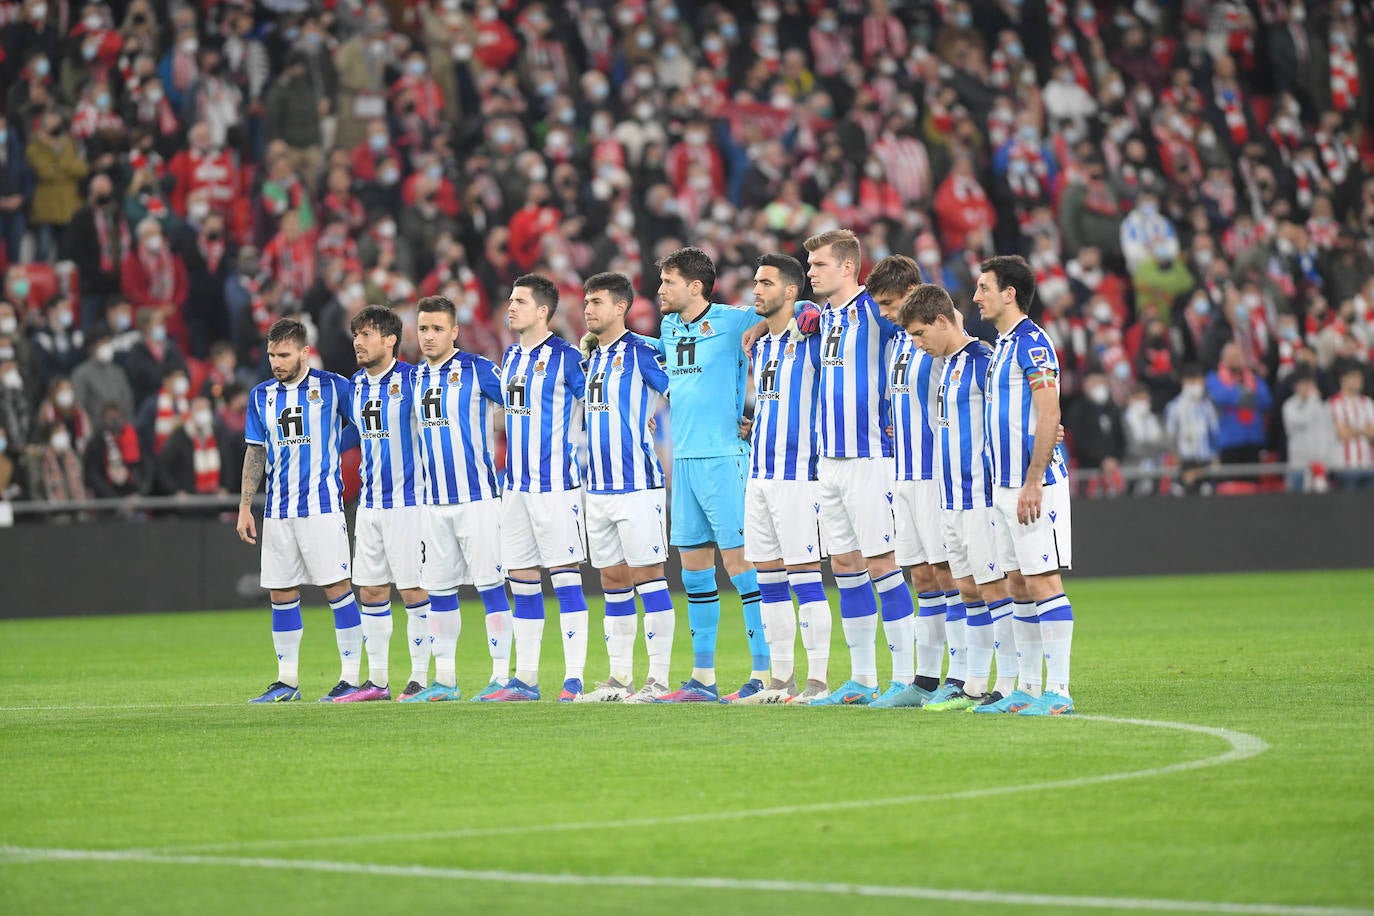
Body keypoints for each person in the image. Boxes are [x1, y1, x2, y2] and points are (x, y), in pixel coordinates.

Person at [641, 246, 764, 704]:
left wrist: (799, 313)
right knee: (693, 570)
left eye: (668, 282)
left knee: (741, 565)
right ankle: (703, 678)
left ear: (694, 286)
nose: (660, 291)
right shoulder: (670, 327)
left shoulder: (734, 321)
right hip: (686, 461)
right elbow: (656, 357)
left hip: (723, 457)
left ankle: (764, 675)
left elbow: (795, 308)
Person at [801, 229, 917, 706]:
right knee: (845, 567)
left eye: (819, 265)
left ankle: (908, 679)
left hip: (870, 457)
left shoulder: (877, 308)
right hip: (829, 460)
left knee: (882, 565)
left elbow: (925, 325)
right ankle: (863, 679)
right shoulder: (822, 317)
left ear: (848, 267)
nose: (811, 273)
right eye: (809, 267)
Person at [900, 284, 1021, 712]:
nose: (917, 344)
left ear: (942, 321)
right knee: (967, 587)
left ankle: (1007, 684)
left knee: (992, 587)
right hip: (949, 495)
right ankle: (972, 685)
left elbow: (1019, 407)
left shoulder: (983, 361)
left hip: (980, 495)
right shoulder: (946, 365)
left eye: (919, 334)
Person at [236, 318, 364, 704]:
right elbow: (255, 451)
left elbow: (365, 423)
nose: (276, 361)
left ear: (304, 352)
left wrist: (333, 445)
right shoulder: (261, 396)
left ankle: (351, 678)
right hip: (277, 511)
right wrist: (245, 506)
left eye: (284, 354)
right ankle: (287, 680)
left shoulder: (332, 386)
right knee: (281, 592)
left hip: (322, 509)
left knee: (338, 589)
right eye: (272, 354)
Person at [978, 255, 1076, 716]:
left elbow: (1050, 412)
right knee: (1017, 582)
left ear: (1009, 293)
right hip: (1004, 485)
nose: (977, 297)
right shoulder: (1001, 344)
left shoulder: (1033, 345)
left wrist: (1034, 481)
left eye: (984, 288)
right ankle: (1028, 688)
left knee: (1042, 580)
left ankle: (1058, 692)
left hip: (1031, 485)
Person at [486, 274, 591, 703]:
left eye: (519, 301)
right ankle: (525, 680)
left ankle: (574, 678)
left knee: (565, 578)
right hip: (515, 488)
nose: (510, 307)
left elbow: (598, 400)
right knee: (522, 579)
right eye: (510, 300)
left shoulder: (567, 358)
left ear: (543, 311)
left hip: (555, 486)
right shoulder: (509, 357)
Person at [573, 272, 677, 703]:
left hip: (637, 484)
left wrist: (657, 408)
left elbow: (678, 387)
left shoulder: (640, 351)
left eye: (597, 302)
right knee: (612, 579)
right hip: (596, 487)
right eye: (586, 302)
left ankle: (658, 679)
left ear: (621, 307)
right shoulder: (592, 356)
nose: (588, 309)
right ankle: (619, 679)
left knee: (649, 577)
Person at [737, 253, 832, 704]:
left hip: (800, 474)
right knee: (768, 578)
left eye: (766, 282)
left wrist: (806, 311)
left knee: (805, 575)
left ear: (790, 292)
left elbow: (821, 313)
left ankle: (818, 680)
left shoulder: (811, 334)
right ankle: (781, 680)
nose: (756, 289)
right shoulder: (764, 344)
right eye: (756, 281)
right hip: (759, 474)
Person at [410, 295, 513, 702]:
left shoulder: (479, 369)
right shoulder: (414, 378)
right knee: (439, 591)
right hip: (433, 502)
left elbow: (523, 405)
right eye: (423, 329)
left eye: (437, 329)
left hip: (478, 498)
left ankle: (503, 678)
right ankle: (446, 681)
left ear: (454, 331)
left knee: (491, 587)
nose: (429, 336)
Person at [865, 256, 957, 708]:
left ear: (911, 294)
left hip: (937, 474)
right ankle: (925, 680)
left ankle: (961, 676)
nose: (883, 312)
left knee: (949, 574)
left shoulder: (941, 339)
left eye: (888, 303)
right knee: (922, 576)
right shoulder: (902, 342)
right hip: (904, 473)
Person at [345, 305, 431, 703]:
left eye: (367, 334)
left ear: (390, 339)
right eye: (356, 335)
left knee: (414, 590)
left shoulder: (415, 379)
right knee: (372, 591)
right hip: (370, 504)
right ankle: (377, 681)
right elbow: (348, 434)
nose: (359, 342)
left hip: (409, 503)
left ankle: (420, 677)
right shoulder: (356, 385)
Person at [1164, 366, 1221, 495]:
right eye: (1193, 382)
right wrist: (1177, 463)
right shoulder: (1174, 407)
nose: (1197, 386)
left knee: (1207, 492)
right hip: (1184, 462)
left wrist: (1215, 459)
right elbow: (1170, 437)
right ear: (1184, 383)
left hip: (1205, 461)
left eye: (1199, 382)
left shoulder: (1207, 407)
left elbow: (1214, 434)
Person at [1281, 365, 1335, 493]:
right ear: (1295, 386)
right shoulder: (1289, 406)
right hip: (1298, 464)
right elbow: (1303, 419)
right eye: (1303, 384)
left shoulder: (1322, 405)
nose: (1307, 387)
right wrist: (1312, 399)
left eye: (1309, 383)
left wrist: (1327, 460)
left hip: (1319, 464)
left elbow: (1327, 433)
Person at [1330, 364, 1374, 490]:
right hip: (1345, 466)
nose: (1358, 381)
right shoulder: (1334, 403)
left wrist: (1353, 428)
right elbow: (1342, 434)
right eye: (1354, 377)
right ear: (1343, 379)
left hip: (1368, 465)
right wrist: (1364, 429)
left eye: (1360, 378)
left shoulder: (1368, 403)